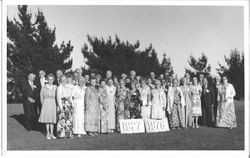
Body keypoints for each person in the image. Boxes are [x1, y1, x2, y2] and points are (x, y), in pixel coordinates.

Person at [38, 74, 57, 139]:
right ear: (47, 80)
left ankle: (52, 133)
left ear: (53, 80)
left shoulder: (55, 87)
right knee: (47, 119)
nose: (50, 81)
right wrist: (43, 103)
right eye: (49, 79)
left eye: (52, 79)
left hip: (53, 103)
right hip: (46, 103)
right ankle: (48, 133)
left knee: (52, 119)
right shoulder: (44, 87)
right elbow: (41, 96)